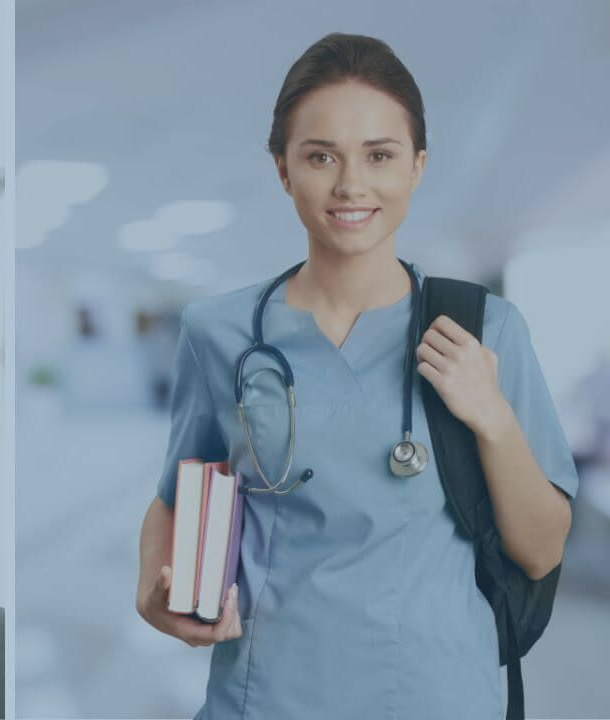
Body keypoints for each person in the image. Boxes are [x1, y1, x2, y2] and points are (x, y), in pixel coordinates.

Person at [135, 33, 577, 719]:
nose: (351, 184)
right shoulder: (218, 334)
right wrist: (153, 592)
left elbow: (542, 549)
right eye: (320, 156)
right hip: (265, 698)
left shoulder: (487, 330)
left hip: (436, 699)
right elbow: (177, 495)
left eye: (380, 155)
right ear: (283, 168)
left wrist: (489, 414)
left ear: (417, 166)